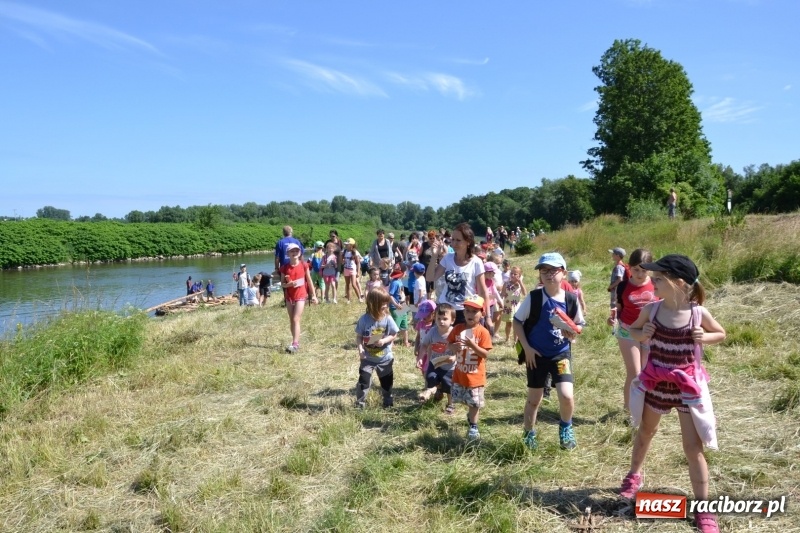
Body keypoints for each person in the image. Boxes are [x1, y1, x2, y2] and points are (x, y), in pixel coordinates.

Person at [619, 255, 726, 533]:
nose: (651, 281)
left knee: (693, 448)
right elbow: (633, 330)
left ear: (679, 283)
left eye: (658, 278)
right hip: (656, 384)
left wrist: (706, 336)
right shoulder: (652, 310)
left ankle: (704, 509)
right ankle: (634, 476)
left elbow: (721, 334)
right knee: (645, 432)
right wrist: (643, 334)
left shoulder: (697, 313)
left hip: (686, 389)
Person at [513, 252, 585, 451]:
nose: (548, 274)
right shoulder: (535, 297)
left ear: (563, 273)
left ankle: (566, 428)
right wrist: (527, 348)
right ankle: (529, 434)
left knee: (567, 395)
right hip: (535, 356)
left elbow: (578, 325)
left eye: (553, 270)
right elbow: (517, 321)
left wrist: (572, 334)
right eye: (544, 270)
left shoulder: (571, 299)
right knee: (534, 399)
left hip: (561, 354)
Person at [608, 249, 658, 416]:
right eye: (636, 269)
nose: (639, 274)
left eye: (644, 270)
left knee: (646, 371)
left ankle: (644, 407)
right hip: (627, 331)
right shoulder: (623, 286)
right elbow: (619, 308)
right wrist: (612, 318)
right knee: (635, 372)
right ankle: (629, 412)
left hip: (650, 332)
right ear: (629, 267)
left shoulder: (657, 283)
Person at [447, 294, 493, 440]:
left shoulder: (483, 332)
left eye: (474, 311)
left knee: (474, 403)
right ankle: (471, 415)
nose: (470, 314)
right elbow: (450, 344)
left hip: (475, 376)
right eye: (467, 310)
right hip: (460, 373)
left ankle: (473, 426)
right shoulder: (458, 328)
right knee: (462, 399)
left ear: (482, 313)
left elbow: (485, 354)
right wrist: (453, 347)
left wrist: (473, 345)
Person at [434, 222, 489, 325]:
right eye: (452, 239)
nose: (453, 243)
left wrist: (487, 317)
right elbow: (431, 277)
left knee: (461, 341)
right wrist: (434, 256)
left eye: (458, 240)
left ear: (468, 242)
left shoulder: (476, 262)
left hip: (466, 311)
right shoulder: (447, 258)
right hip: (445, 309)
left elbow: (482, 291)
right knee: (439, 340)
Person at [354, 288, 399, 409]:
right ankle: (360, 404)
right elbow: (359, 337)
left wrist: (384, 340)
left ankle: (388, 402)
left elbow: (394, 334)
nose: (385, 306)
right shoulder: (364, 320)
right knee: (364, 381)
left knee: (386, 382)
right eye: (382, 303)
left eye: (386, 303)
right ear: (373, 304)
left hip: (385, 358)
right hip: (367, 358)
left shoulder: (388, 319)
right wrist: (361, 350)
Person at [418, 302, 456, 415]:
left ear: (452, 320)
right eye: (439, 318)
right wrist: (420, 357)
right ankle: (436, 389)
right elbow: (424, 344)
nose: (441, 321)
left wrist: (454, 357)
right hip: (434, 363)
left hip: (449, 366)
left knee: (449, 386)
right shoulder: (433, 331)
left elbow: (460, 350)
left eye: (445, 318)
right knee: (430, 377)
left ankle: (451, 404)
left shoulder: (454, 333)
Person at [280, 243, 317, 353]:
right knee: (292, 320)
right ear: (288, 253)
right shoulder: (284, 267)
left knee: (296, 319)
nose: (294, 253)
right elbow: (282, 284)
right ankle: (294, 341)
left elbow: (309, 280)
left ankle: (295, 344)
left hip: (301, 295)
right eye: (292, 251)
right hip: (289, 297)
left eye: (296, 251)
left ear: (300, 252)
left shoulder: (304, 265)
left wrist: (314, 295)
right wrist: (289, 285)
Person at [500, 266, 526, 344]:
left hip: (516, 307)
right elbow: (502, 294)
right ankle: (507, 338)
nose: (513, 275)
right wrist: (501, 297)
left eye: (515, 274)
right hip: (508, 307)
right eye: (511, 273)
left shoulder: (519, 285)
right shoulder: (506, 283)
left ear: (519, 275)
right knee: (508, 324)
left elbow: (525, 293)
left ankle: (515, 341)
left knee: (516, 325)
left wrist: (521, 282)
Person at [387, 263, 410, 347]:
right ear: (402, 273)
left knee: (405, 325)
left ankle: (406, 342)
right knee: (395, 326)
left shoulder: (400, 281)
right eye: (405, 272)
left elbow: (401, 292)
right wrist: (396, 305)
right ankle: (391, 343)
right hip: (396, 308)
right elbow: (390, 295)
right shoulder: (395, 283)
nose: (406, 274)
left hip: (402, 306)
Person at [420, 230, 444, 299]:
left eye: (433, 238)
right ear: (428, 238)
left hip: (435, 265)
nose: (432, 240)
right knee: (427, 282)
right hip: (425, 265)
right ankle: (428, 298)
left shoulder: (437, 244)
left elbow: (441, 254)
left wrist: (440, 248)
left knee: (434, 282)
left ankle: (433, 296)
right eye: (430, 238)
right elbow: (420, 255)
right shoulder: (424, 244)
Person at [342, 238, 364, 304]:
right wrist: (342, 261)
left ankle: (359, 298)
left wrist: (358, 271)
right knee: (348, 285)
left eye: (347, 244)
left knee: (354, 284)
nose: (346, 245)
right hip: (346, 269)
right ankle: (348, 299)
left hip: (352, 270)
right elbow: (342, 261)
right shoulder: (344, 251)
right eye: (346, 244)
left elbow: (358, 263)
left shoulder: (355, 252)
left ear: (351, 245)